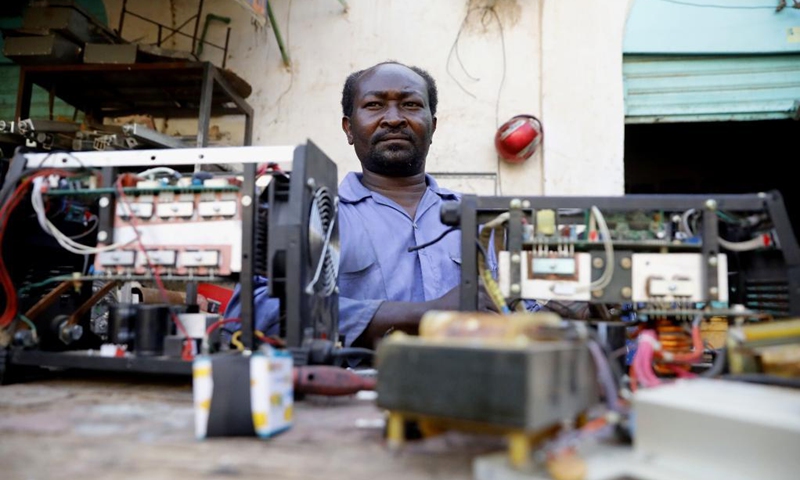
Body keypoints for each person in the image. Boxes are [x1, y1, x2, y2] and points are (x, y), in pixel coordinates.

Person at [226, 61, 501, 349]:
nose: (393, 119)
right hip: (350, 377)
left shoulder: (482, 221)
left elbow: (518, 309)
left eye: (410, 104)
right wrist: (423, 314)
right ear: (349, 128)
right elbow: (252, 312)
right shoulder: (312, 216)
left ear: (433, 126)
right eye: (374, 105)